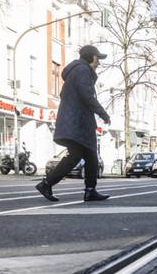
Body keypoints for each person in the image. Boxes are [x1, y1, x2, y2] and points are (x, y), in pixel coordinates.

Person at [36, 45, 111, 202]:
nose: (98, 64)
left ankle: (49, 184)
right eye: (98, 59)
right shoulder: (82, 70)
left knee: (81, 156)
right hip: (78, 123)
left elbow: (66, 94)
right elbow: (87, 96)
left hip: (72, 121)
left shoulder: (75, 72)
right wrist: (103, 114)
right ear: (91, 57)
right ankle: (87, 190)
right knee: (88, 155)